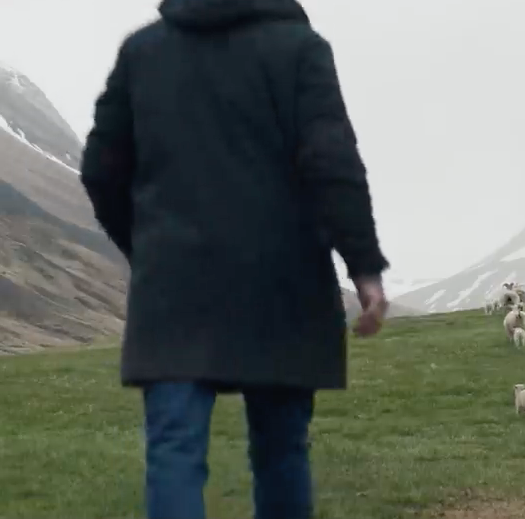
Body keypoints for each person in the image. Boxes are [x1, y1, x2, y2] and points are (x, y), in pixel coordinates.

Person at [79, 0, 389, 517]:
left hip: (175, 283)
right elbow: (331, 161)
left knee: (173, 451)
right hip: (282, 280)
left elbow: (100, 168)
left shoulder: (143, 52)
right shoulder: (299, 50)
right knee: (281, 450)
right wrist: (364, 266)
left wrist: (148, 245)